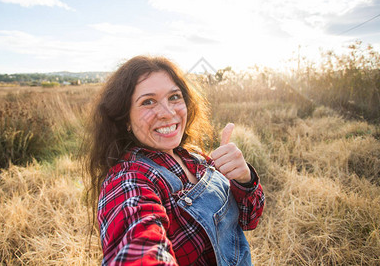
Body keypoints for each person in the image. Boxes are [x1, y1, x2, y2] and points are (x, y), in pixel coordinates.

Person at [81, 55, 265, 265]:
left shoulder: (196, 159)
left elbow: (249, 219)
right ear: (126, 120)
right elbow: (137, 245)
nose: (168, 113)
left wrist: (244, 178)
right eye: (148, 102)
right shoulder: (129, 180)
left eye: (174, 97)